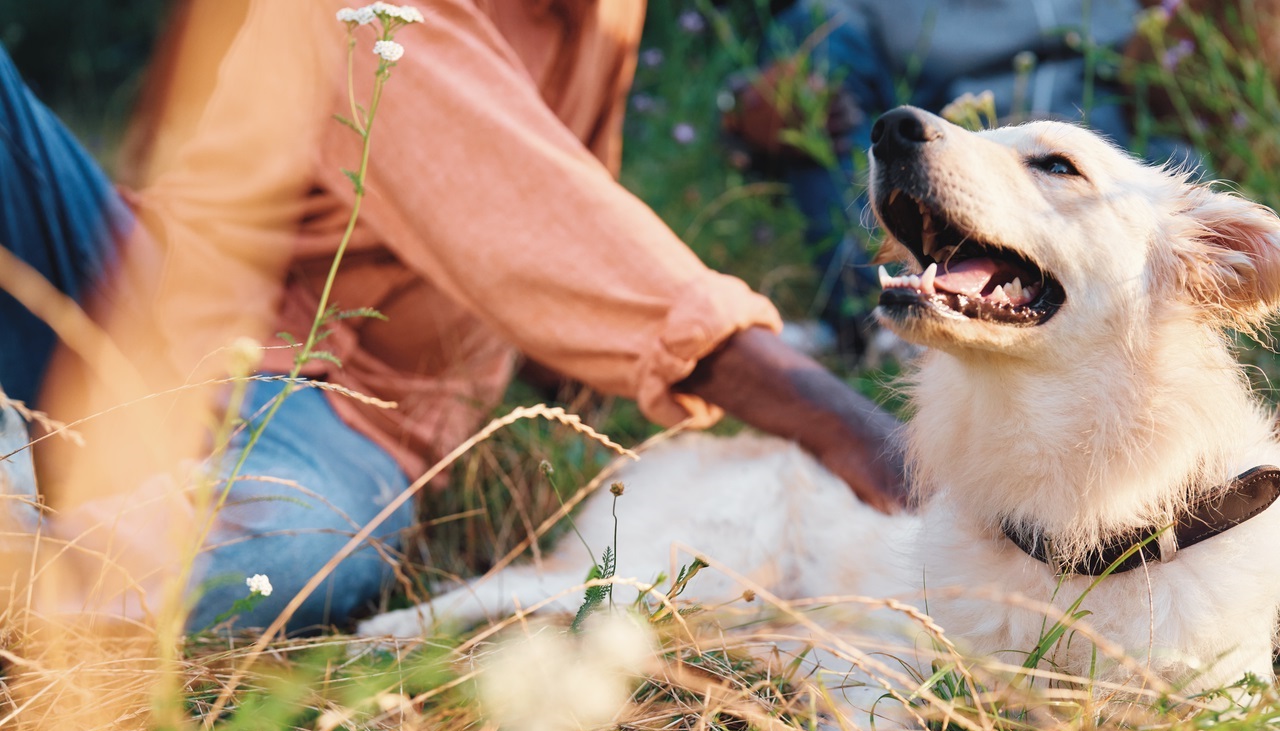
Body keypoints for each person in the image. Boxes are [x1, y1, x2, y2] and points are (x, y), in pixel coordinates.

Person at [0, 0, 907, 636]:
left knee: (306, 553)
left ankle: (49, 557)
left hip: (343, 403)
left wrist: (572, 387)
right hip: (137, 285)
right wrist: (844, 422)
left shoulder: (607, 14)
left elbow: (570, 184)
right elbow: (538, 214)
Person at [723, 0, 1165, 356]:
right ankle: (870, 310)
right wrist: (746, 105)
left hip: (1095, 116)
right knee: (811, 35)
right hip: (931, 113)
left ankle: (882, 329)